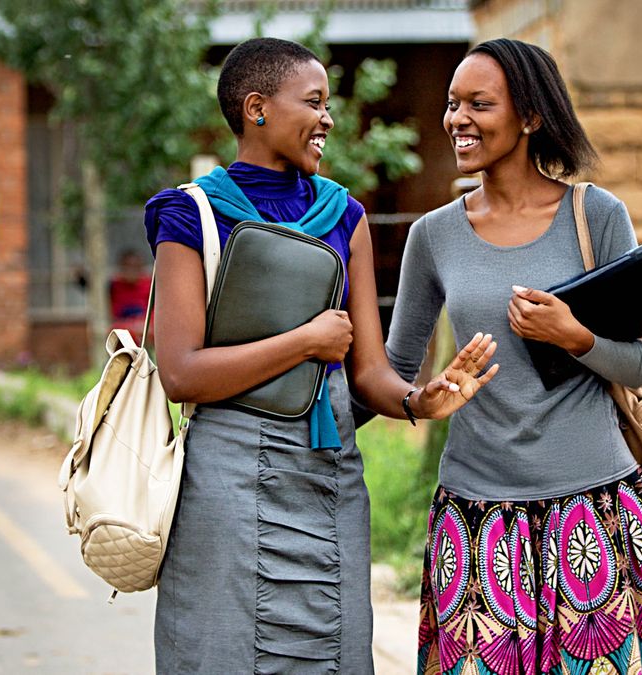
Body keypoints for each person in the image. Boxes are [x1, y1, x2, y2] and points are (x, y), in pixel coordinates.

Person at [144, 37, 498, 673]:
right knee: (221, 651)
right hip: (227, 479)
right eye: (313, 102)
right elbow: (180, 372)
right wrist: (305, 342)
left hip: (327, 477)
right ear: (256, 108)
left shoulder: (345, 216)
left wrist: (421, 399)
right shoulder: (190, 215)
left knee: (331, 655)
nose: (329, 119)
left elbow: (367, 374)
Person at [386, 39, 642, 673]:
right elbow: (396, 372)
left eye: (479, 104)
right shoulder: (433, 235)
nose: (458, 120)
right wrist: (422, 401)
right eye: (453, 105)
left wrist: (574, 337)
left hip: (597, 515)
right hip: (474, 522)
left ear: (531, 117)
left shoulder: (597, 216)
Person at [108, 248, 153, 342]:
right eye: (127, 266)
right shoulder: (114, 285)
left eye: (135, 267)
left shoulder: (149, 285)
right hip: (121, 335)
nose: (131, 271)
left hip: (145, 335)